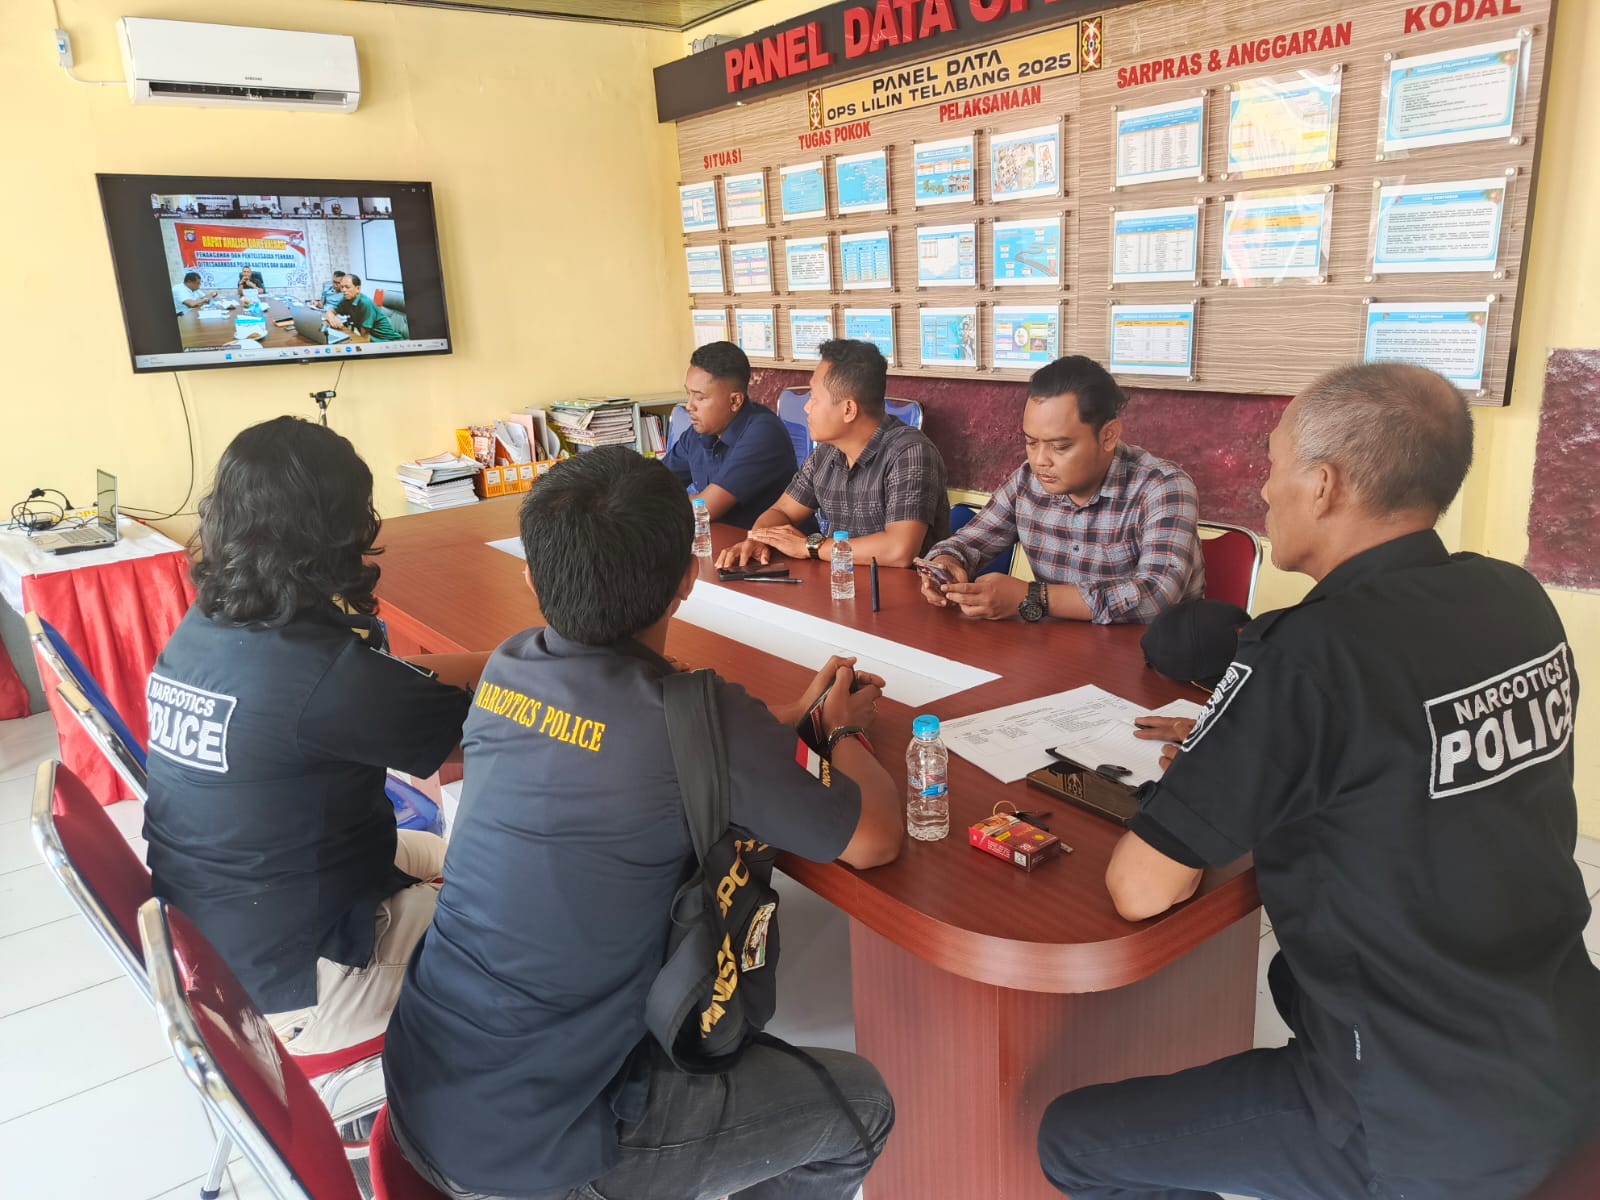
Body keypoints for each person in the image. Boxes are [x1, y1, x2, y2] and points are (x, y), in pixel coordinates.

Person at [1037, 363, 1600, 1200]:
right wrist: (1252, 744)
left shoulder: (1303, 653)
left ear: (1326, 485)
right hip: (1564, 1045)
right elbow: (1412, 745)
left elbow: (1140, 891)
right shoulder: (1514, 597)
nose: (1264, 491)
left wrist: (1241, 746)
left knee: (1069, 1140)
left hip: (1411, 1117)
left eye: (1273, 466)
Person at [384, 446, 902, 1200]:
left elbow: (651, 744)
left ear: (532, 580)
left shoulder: (508, 666)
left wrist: (792, 723)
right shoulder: (699, 717)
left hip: (431, 1095)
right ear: (688, 580)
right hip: (551, 1154)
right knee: (863, 1107)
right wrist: (847, 731)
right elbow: (875, 840)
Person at [142, 417, 485, 1056]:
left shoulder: (210, 627)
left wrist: (510, 657)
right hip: (302, 985)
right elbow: (487, 734)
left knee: (450, 855)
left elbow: (377, 684)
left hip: (216, 942)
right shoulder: (321, 679)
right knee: (526, 910)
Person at [918, 356, 1204, 624]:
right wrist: (945, 565)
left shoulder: (1163, 487)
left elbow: (1156, 596)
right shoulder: (1027, 481)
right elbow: (967, 543)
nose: (1040, 460)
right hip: (1057, 645)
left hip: (1146, 651)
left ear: (1108, 436)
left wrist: (1032, 597)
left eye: (1060, 446)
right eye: (1031, 443)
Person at [717, 338, 949, 570]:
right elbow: (781, 511)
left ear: (848, 409)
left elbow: (899, 550)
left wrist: (810, 547)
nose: (806, 407)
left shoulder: (910, 452)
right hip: (842, 582)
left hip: (903, 590)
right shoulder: (826, 453)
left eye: (814, 398)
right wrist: (758, 539)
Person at [661, 341, 798, 529]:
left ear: (734, 401)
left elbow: (705, 509)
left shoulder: (763, 433)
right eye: (688, 394)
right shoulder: (699, 432)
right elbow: (654, 481)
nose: (689, 406)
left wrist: (660, 500)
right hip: (719, 541)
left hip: (770, 544)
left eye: (700, 397)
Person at [326, 272, 402, 341]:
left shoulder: (365, 303)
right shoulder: (346, 299)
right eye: (342, 287)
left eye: (347, 287)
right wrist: (331, 317)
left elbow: (364, 336)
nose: (344, 290)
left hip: (386, 341)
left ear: (358, 289)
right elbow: (331, 311)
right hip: (370, 337)